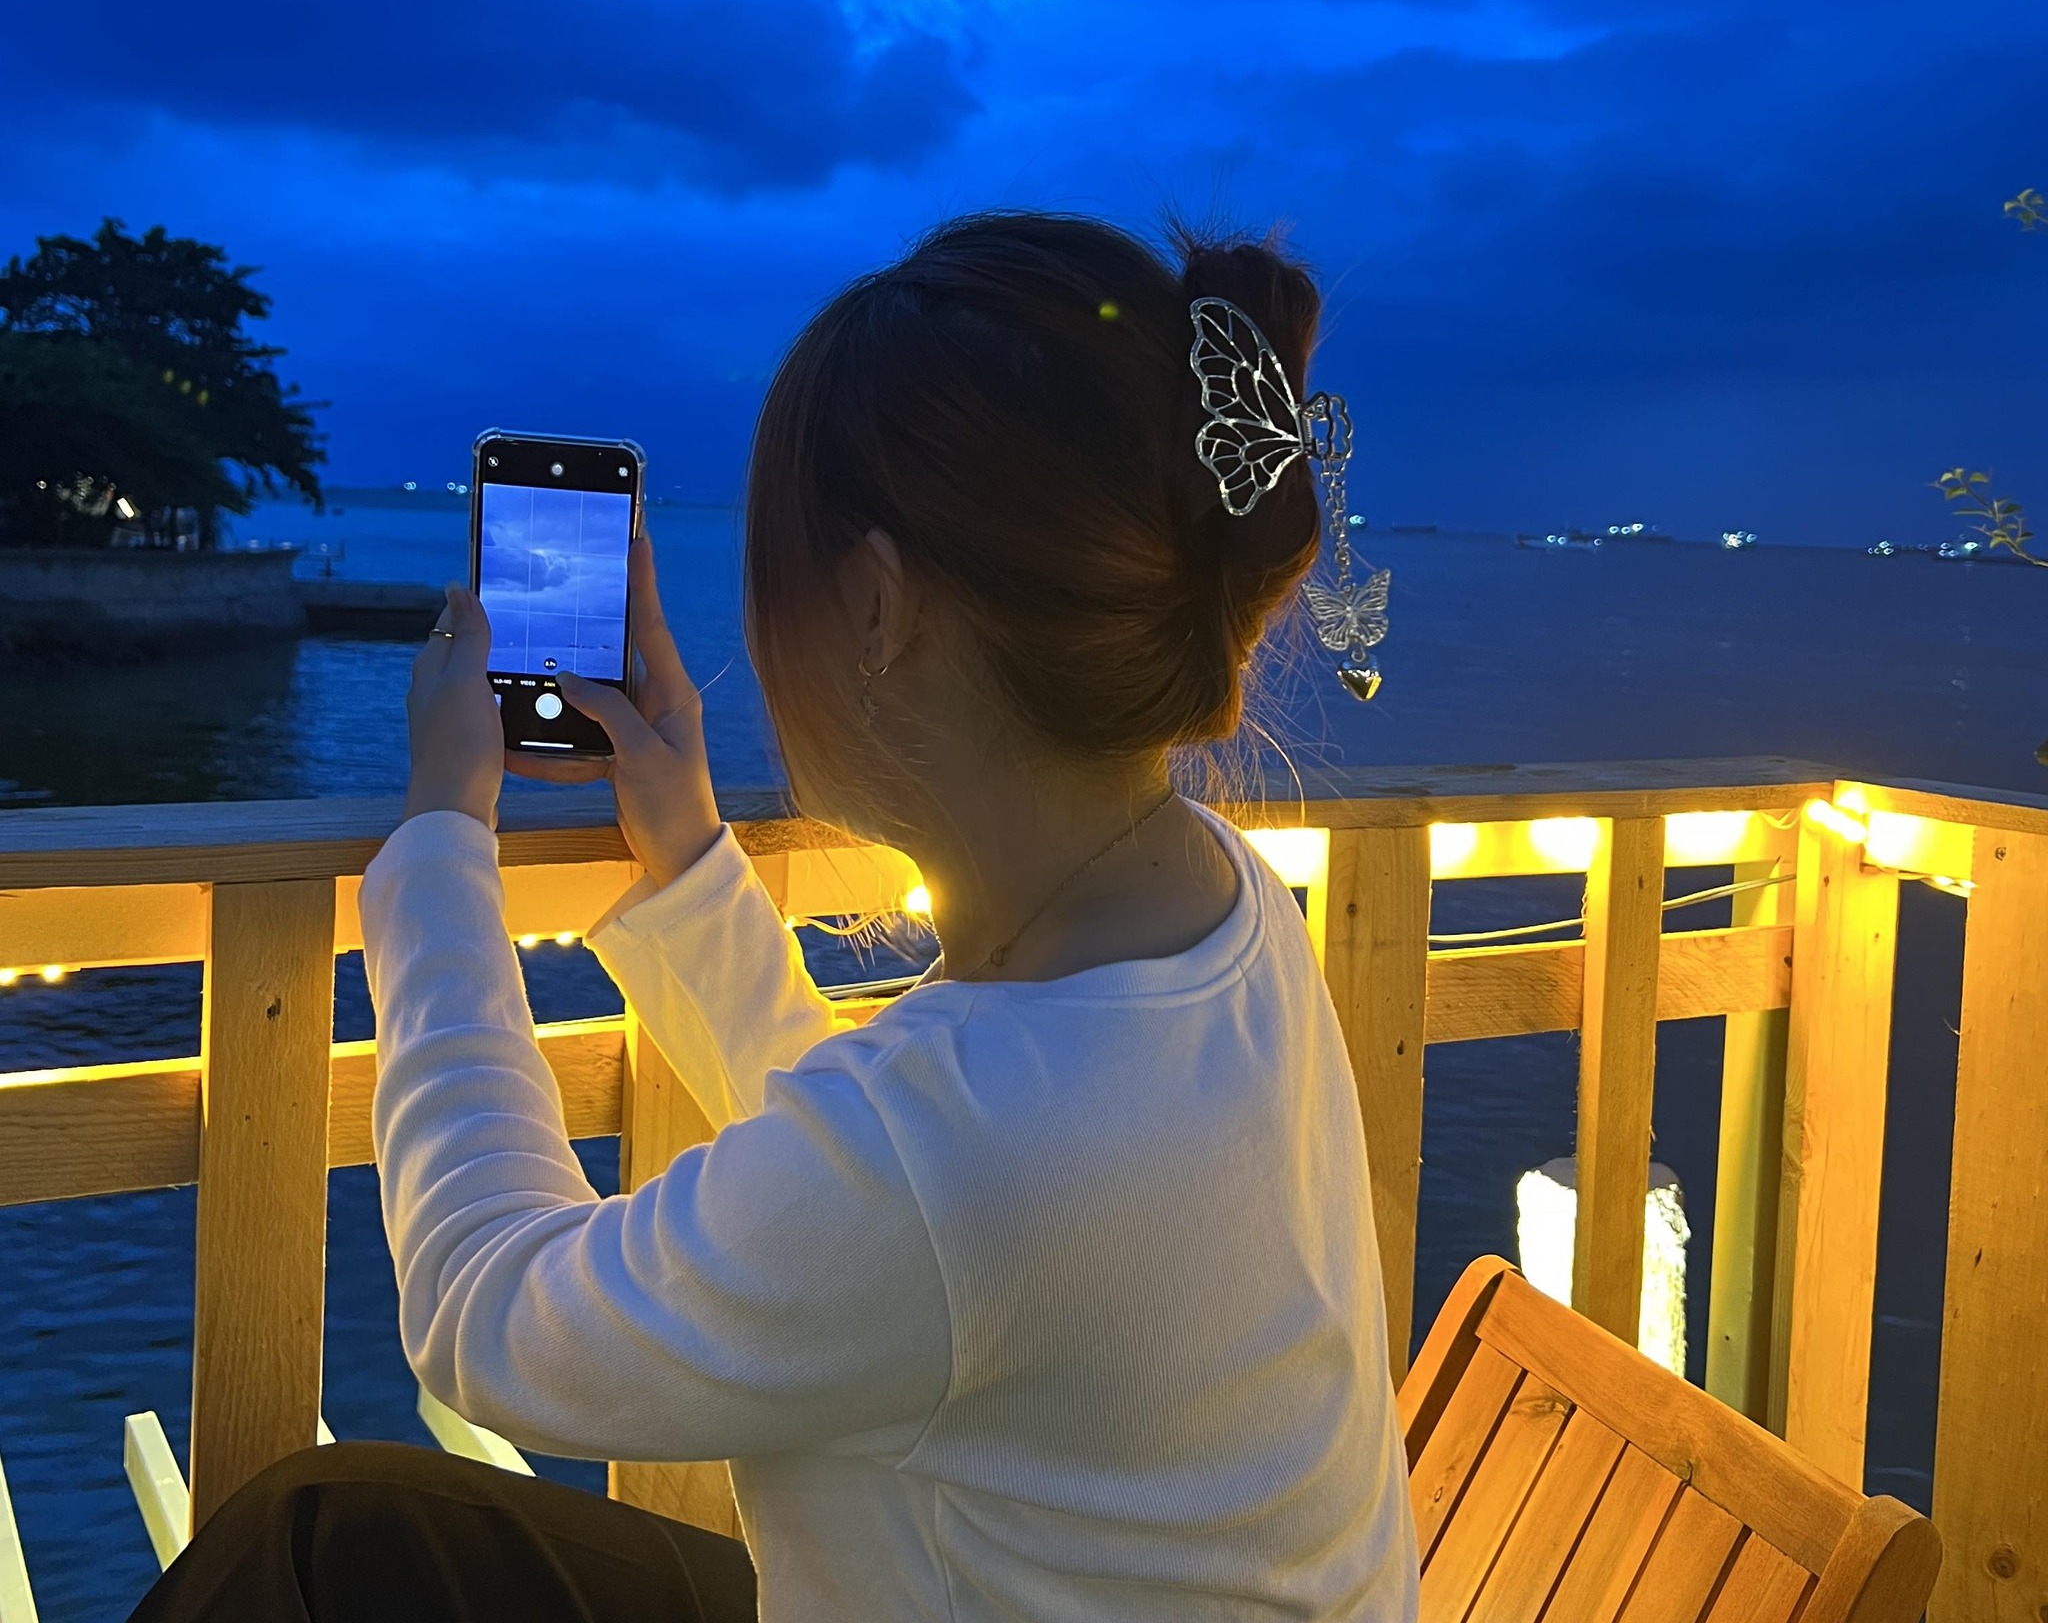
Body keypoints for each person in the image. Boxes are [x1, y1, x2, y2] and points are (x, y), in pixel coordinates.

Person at [131, 213, 1421, 1623]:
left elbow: (487, 1311)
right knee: (338, 1534)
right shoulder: (1226, 913)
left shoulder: (965, 1147)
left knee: (304, 1564)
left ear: (874, 605)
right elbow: (910, 1178)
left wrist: (442, 839)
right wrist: (690, 862)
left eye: (776, 574)